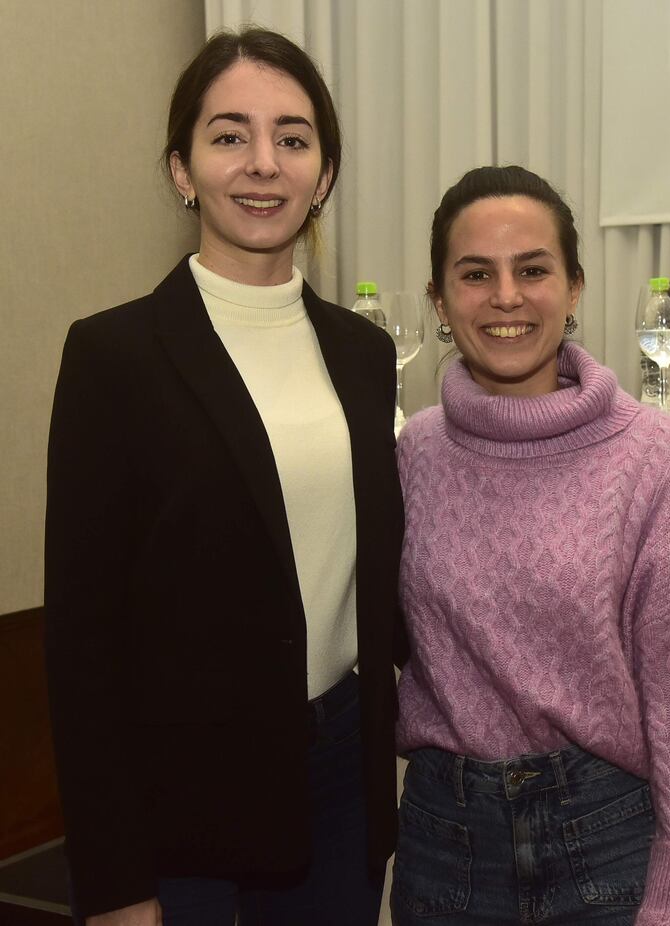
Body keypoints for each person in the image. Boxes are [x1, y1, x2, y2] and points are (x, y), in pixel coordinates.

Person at [45, 27, 403, 926]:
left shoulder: (362, 355)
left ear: (323, 174)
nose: (262, 164)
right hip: (181, 806)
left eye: (292, 138)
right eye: (229, 134)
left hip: (337, 781)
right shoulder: (112, 356)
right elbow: (82, 645)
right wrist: (116, 884)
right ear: (182, 168)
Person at [390, 165, 670, 925]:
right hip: (444, 842)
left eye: (534, 270)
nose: (507, 297)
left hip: (607, 836)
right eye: (476, 273)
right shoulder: (412, 452)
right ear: (439, 300)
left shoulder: (649, 454)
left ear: (576, 288)